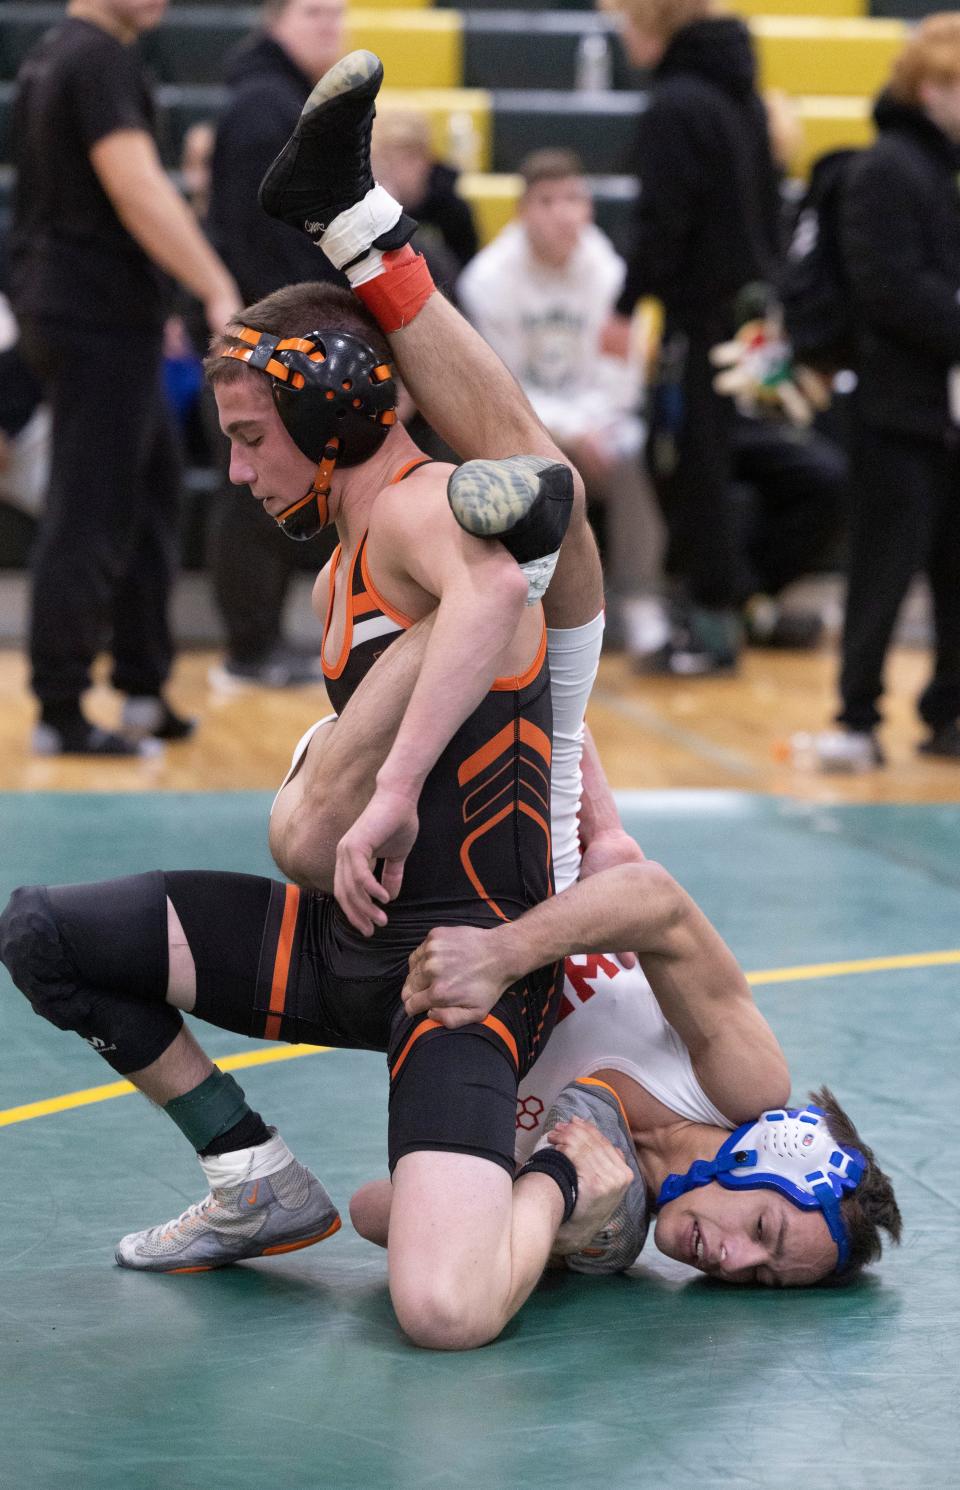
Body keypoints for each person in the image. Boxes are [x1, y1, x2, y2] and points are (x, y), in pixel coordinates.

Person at [351, 733, 902, 1288]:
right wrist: (502, 954)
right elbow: (655, 901)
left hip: (378, 920)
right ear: (768, 1158)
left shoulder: (604, 1227)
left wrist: (546, 1224)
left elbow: (371, 1209)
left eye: (762, 1277)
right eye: (762, 1229)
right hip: (496, 807)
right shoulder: (740, 1085)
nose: (732, 1261)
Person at [9, 0, 241, 754]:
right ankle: (60, 708)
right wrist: (211, 284)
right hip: (94, 319)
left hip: (95, 311)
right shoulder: (96, 58)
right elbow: (135, 187)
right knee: (91, 506)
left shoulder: (57, 55)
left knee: (149, 494)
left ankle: (143, 685)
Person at [602, 0, 783, 674]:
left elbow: (662, 222)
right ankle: (727, 604)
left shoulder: (676, 105)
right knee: (719, 462)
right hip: (746, 315)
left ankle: (710, 625)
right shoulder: (745, 97)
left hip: (695, 321)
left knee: (684, 464)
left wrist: (626, 305)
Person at [805, 14, 960, 767]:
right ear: (933, 89)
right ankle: (858, 714)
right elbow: (888, 289)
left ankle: (950, 713)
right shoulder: (888, 169)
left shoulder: (939, 168)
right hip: (895, 409)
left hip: (942, 408)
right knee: (883, 569)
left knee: (953, 570)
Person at [457, 148, 668, 662]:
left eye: (575, 199)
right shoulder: (487, 280)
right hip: (521, 427)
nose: (563, 213)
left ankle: (640, 599)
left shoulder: (610, 273)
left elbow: (623, 372)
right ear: (523, 211)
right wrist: (567, 433)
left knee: (631, 449)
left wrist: (590, 426)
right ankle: (516, 611)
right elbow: (499, 387)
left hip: (599, 425)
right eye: (547, 201)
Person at [205, 0, 350, 688]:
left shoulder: (281, 100)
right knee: (251, 481)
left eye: (339, 13)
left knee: (263, 478)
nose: (331, 26)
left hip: (270, 320)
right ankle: (249, 646)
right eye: (315, 12)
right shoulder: (268, 107)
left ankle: (257, 643)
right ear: (274, 20)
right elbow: (264, 233)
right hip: (267, 326)